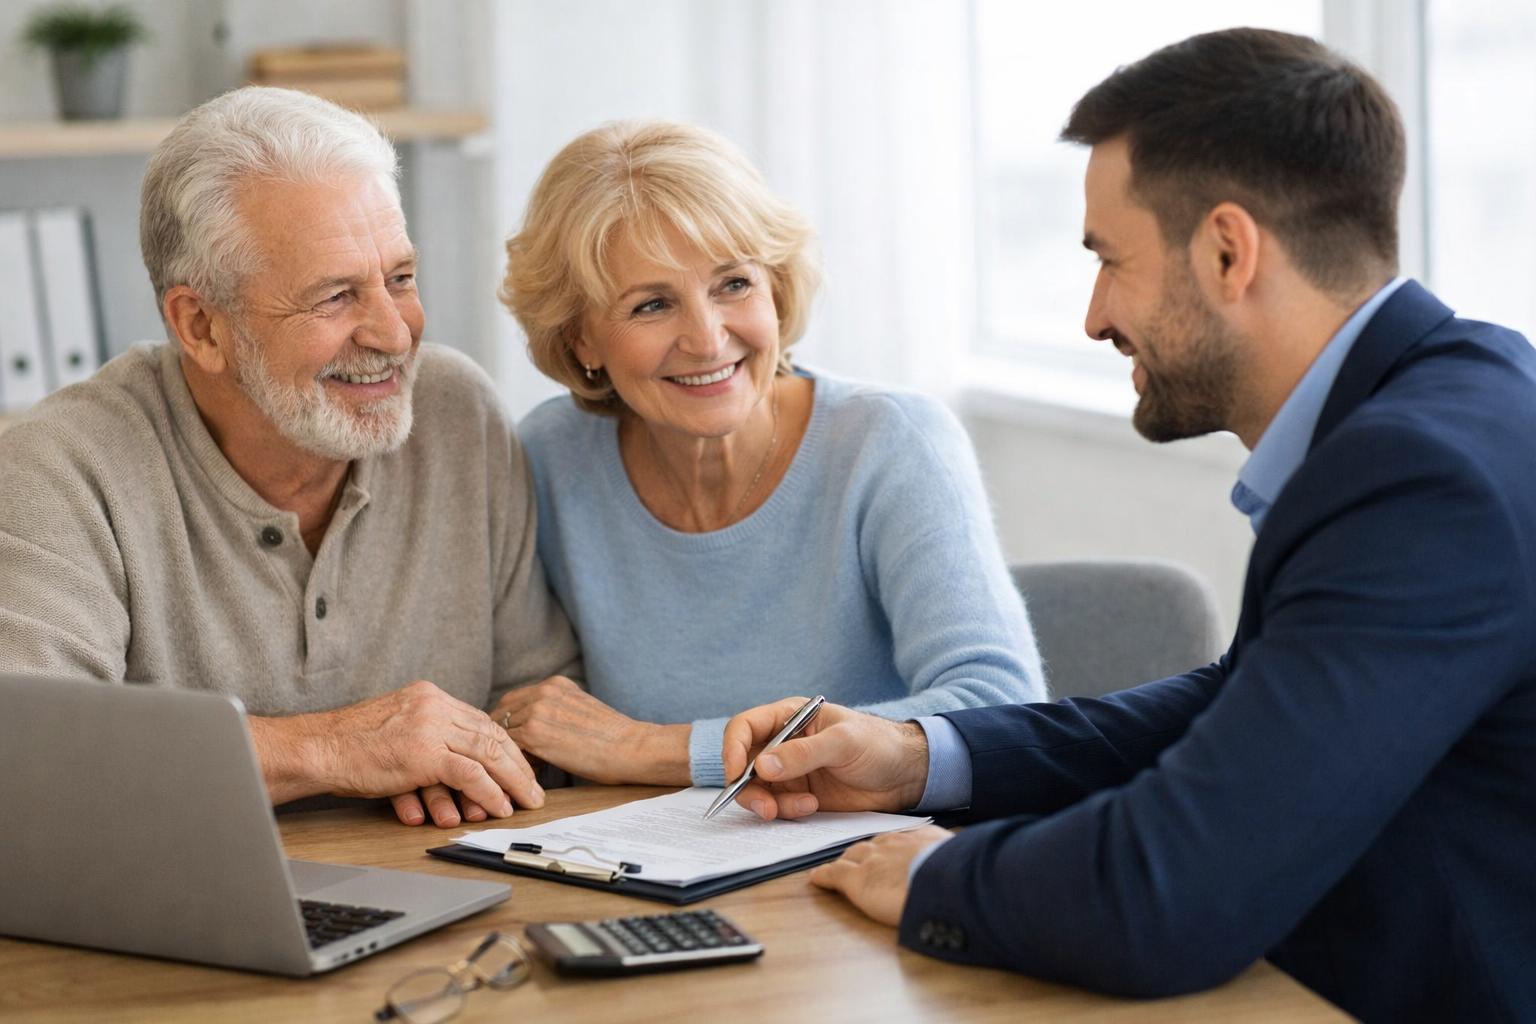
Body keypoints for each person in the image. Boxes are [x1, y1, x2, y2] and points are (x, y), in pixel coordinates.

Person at [721, 28, 1536, 1023]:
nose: (1095, 316)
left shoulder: (1420, 481)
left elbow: (1172, 890)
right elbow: (1240, 707)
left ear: (1229, 251)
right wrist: (918, 757)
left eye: (1111, 260)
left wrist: (944, 877)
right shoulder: (1462, 393)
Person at [0, 87, 580, 830]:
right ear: (202, 326)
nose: (395, 334)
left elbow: (543, 708)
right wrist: (336, 749)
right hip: (168, 930)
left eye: (400, 279)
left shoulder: (455, 412)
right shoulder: (57, 470)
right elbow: (27, 755)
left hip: (447, 906)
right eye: (336, 297)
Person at [495, 120, 1044, 786]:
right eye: (652, 305)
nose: (706, 338)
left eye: (733, 285)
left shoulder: (891, 441)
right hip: (634, 866)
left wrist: (652, 749)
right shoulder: (550, 457)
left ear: (777, 290)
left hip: (862, 862)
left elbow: (1002, 712)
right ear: (582, 337)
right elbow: (544, 722)